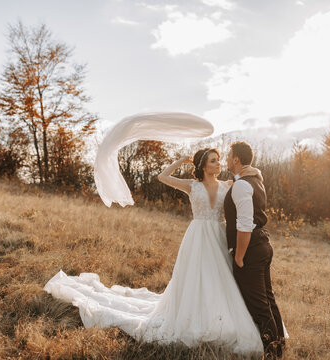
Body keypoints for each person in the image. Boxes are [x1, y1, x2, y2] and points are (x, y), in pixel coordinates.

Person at [44, 147, 264, 356]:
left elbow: (247, 183)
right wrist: (182, 161)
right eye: (213, 161)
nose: (219, 164)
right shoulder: (191, 186)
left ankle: (219, 317)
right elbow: (163, 176)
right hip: (197, 237)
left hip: (218, 235)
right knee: (194, 277)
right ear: (203, 166)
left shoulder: (228, 185)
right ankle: (193, 316)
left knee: (219, 277)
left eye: (218, 160)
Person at [224, 141, 286, 358]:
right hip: (262, 245)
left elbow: (244, 224)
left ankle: (271, 352)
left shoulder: (242, 185)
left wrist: (239, 256)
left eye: (228, 155)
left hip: (250, 249)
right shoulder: (255, 180)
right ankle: (280, 346)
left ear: (236, 160)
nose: (226, 158)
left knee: (258, 304)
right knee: (268, 300)